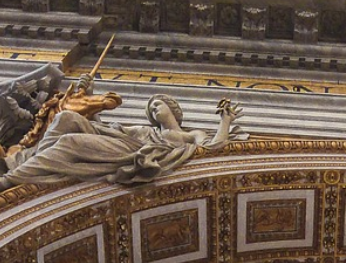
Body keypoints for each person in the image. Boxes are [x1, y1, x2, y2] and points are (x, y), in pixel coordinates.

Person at [0, 94, 243, 190]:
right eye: (150, 109)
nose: (154, 109)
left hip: (137, 153)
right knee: (65, 117)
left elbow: (212, 149)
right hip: (123, 144)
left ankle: (12, 179)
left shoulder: (190, 135)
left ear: (174, 109)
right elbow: (112, 130)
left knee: (70, 143)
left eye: (158, 105)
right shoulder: (142, 129)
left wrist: (226, 122)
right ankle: (31, 160)